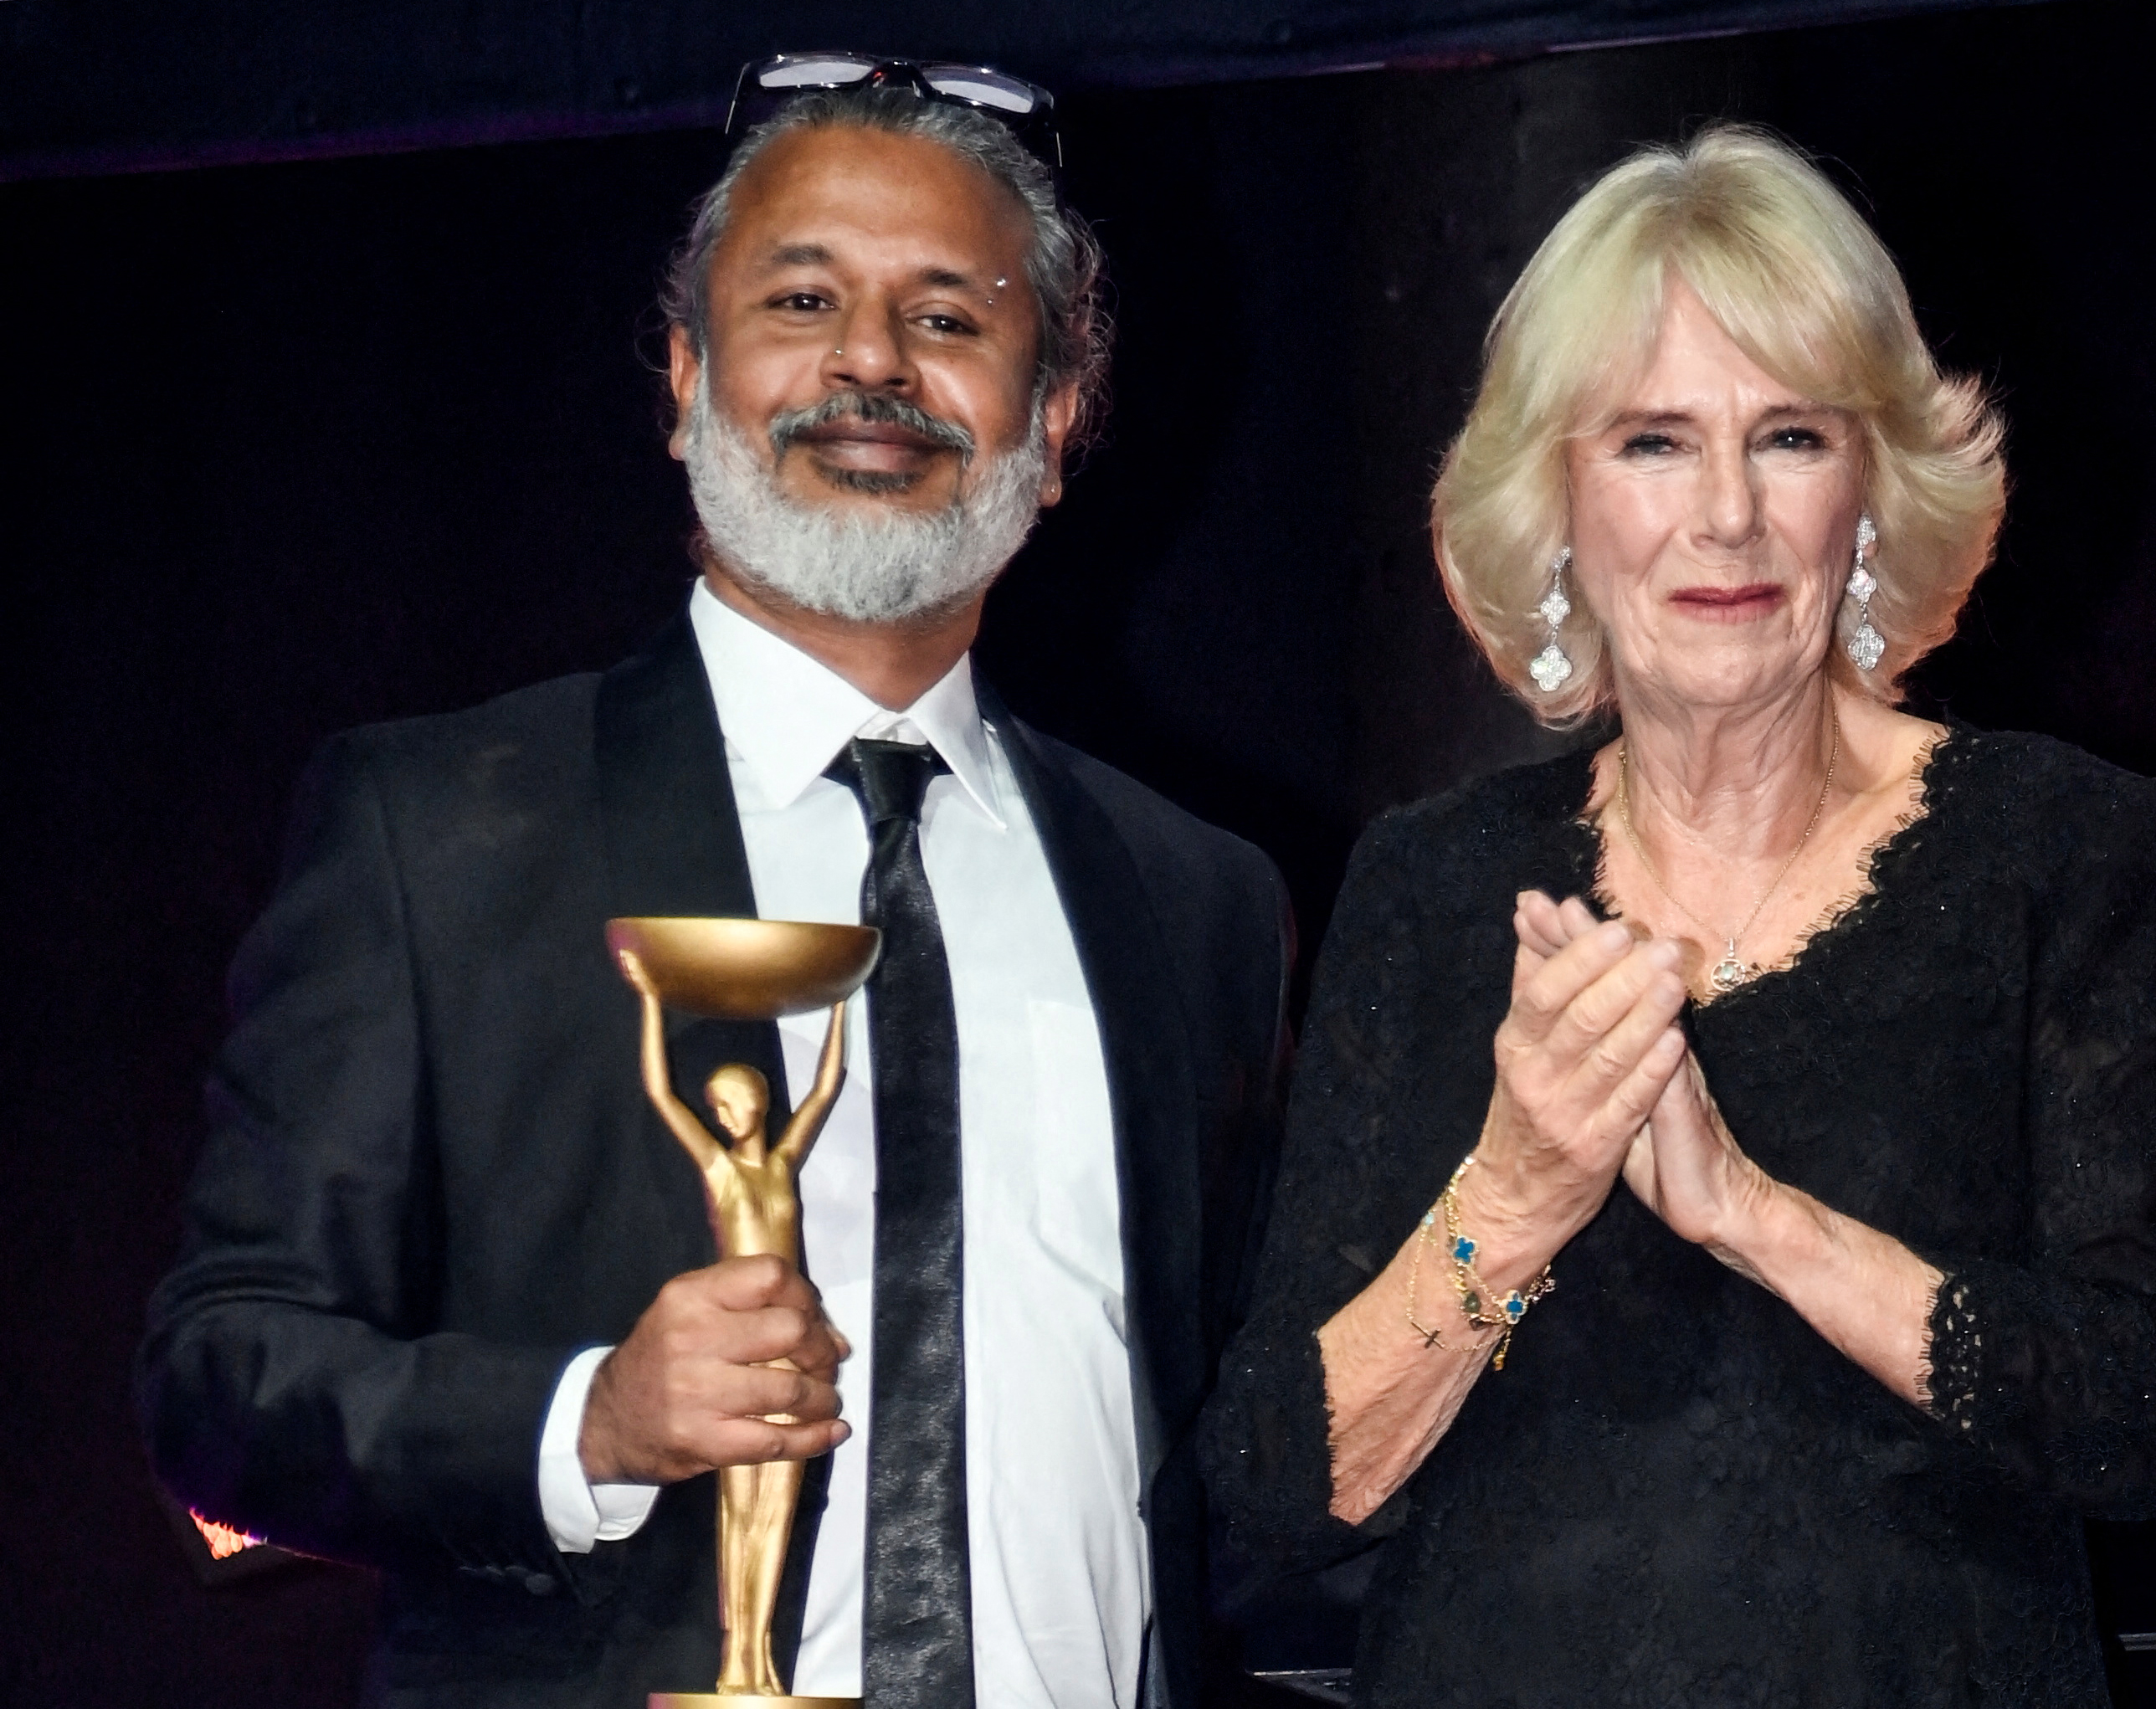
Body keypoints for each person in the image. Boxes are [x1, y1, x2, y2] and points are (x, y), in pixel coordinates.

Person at [138, 59, 1291, 1709]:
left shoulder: (1201, 902)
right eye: (801, 299)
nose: (871, 362)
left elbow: (1231, 1452)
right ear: (684, 379)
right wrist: (582, 1420)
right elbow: (219, 1379)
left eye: (948, 319)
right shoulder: (439, 831)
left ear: (1055, 424)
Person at [1201, 125, 2156, 1706]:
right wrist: (1521, 1187)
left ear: (1873, 487)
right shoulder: (1430, 884)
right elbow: (1277, 1485)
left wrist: (1759, 1216)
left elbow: (2136, 1416)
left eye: (1792, 437)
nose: (1729, 515)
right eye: (1656, 443)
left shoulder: (2071, 852)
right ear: (1559, 509)